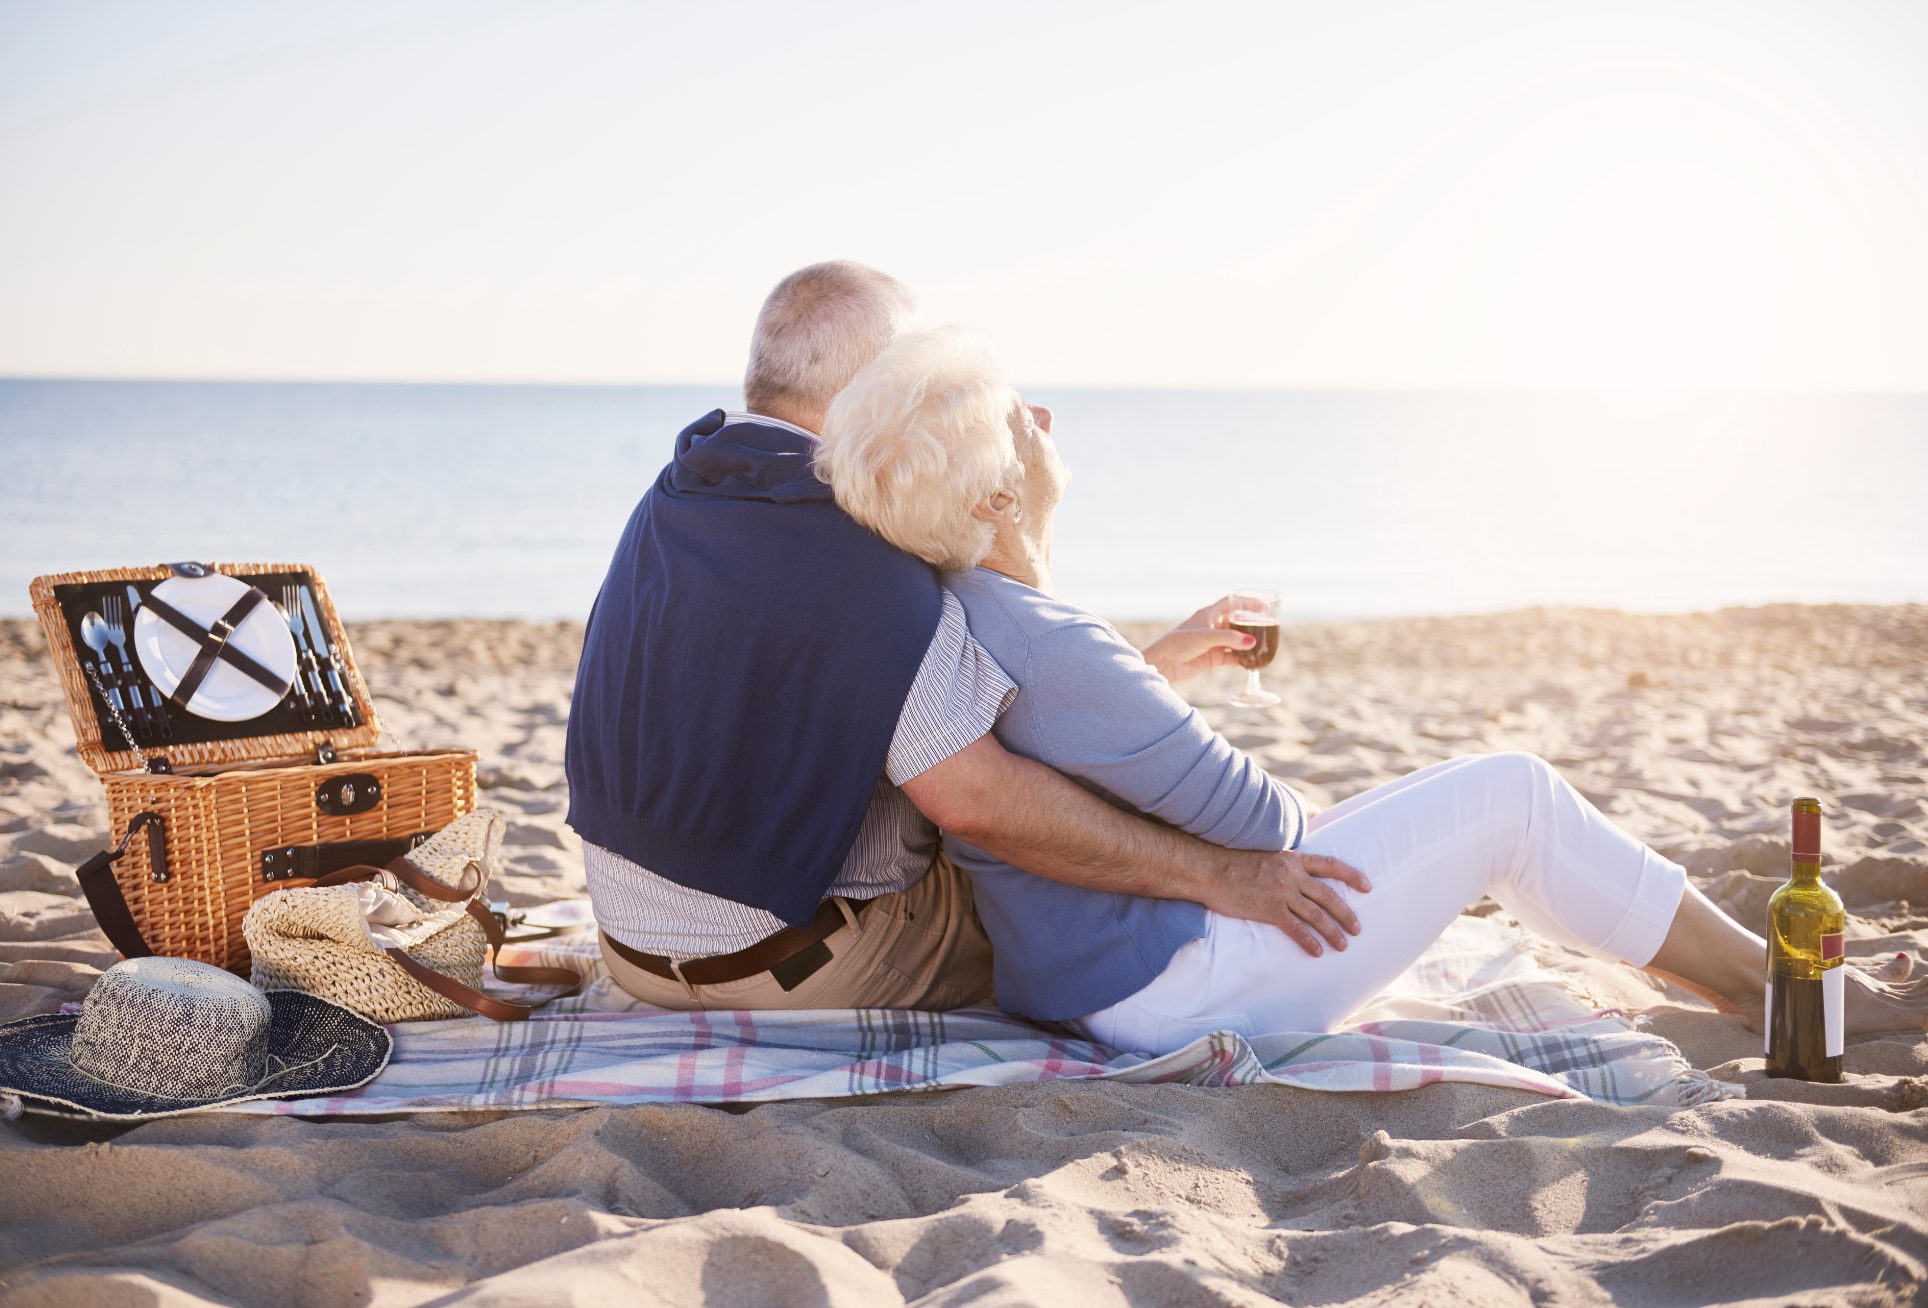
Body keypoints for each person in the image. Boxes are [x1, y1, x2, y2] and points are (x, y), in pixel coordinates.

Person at [815, 325, 1928, 1050]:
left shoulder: (959, 609)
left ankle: (1709, 960)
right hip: (1178, 987)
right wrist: (1156, 708)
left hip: (1090, 978)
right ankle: (1781, 990)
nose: (1048, 422)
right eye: (1024, 419)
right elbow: (1269, 825)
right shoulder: (1059, 644)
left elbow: (1058, 734)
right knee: (1510, 797)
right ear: (1001, 496)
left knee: (1468, 812)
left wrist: (1156, 674)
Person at [565, 263, 1369, 1013]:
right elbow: (981, 804)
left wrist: (1145, 667)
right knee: (1055, 883)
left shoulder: (682, 493)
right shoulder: (855, 545)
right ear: (882, 386)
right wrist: (1223, 876)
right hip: (784, 969)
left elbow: (790, 695)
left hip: (634, 954)